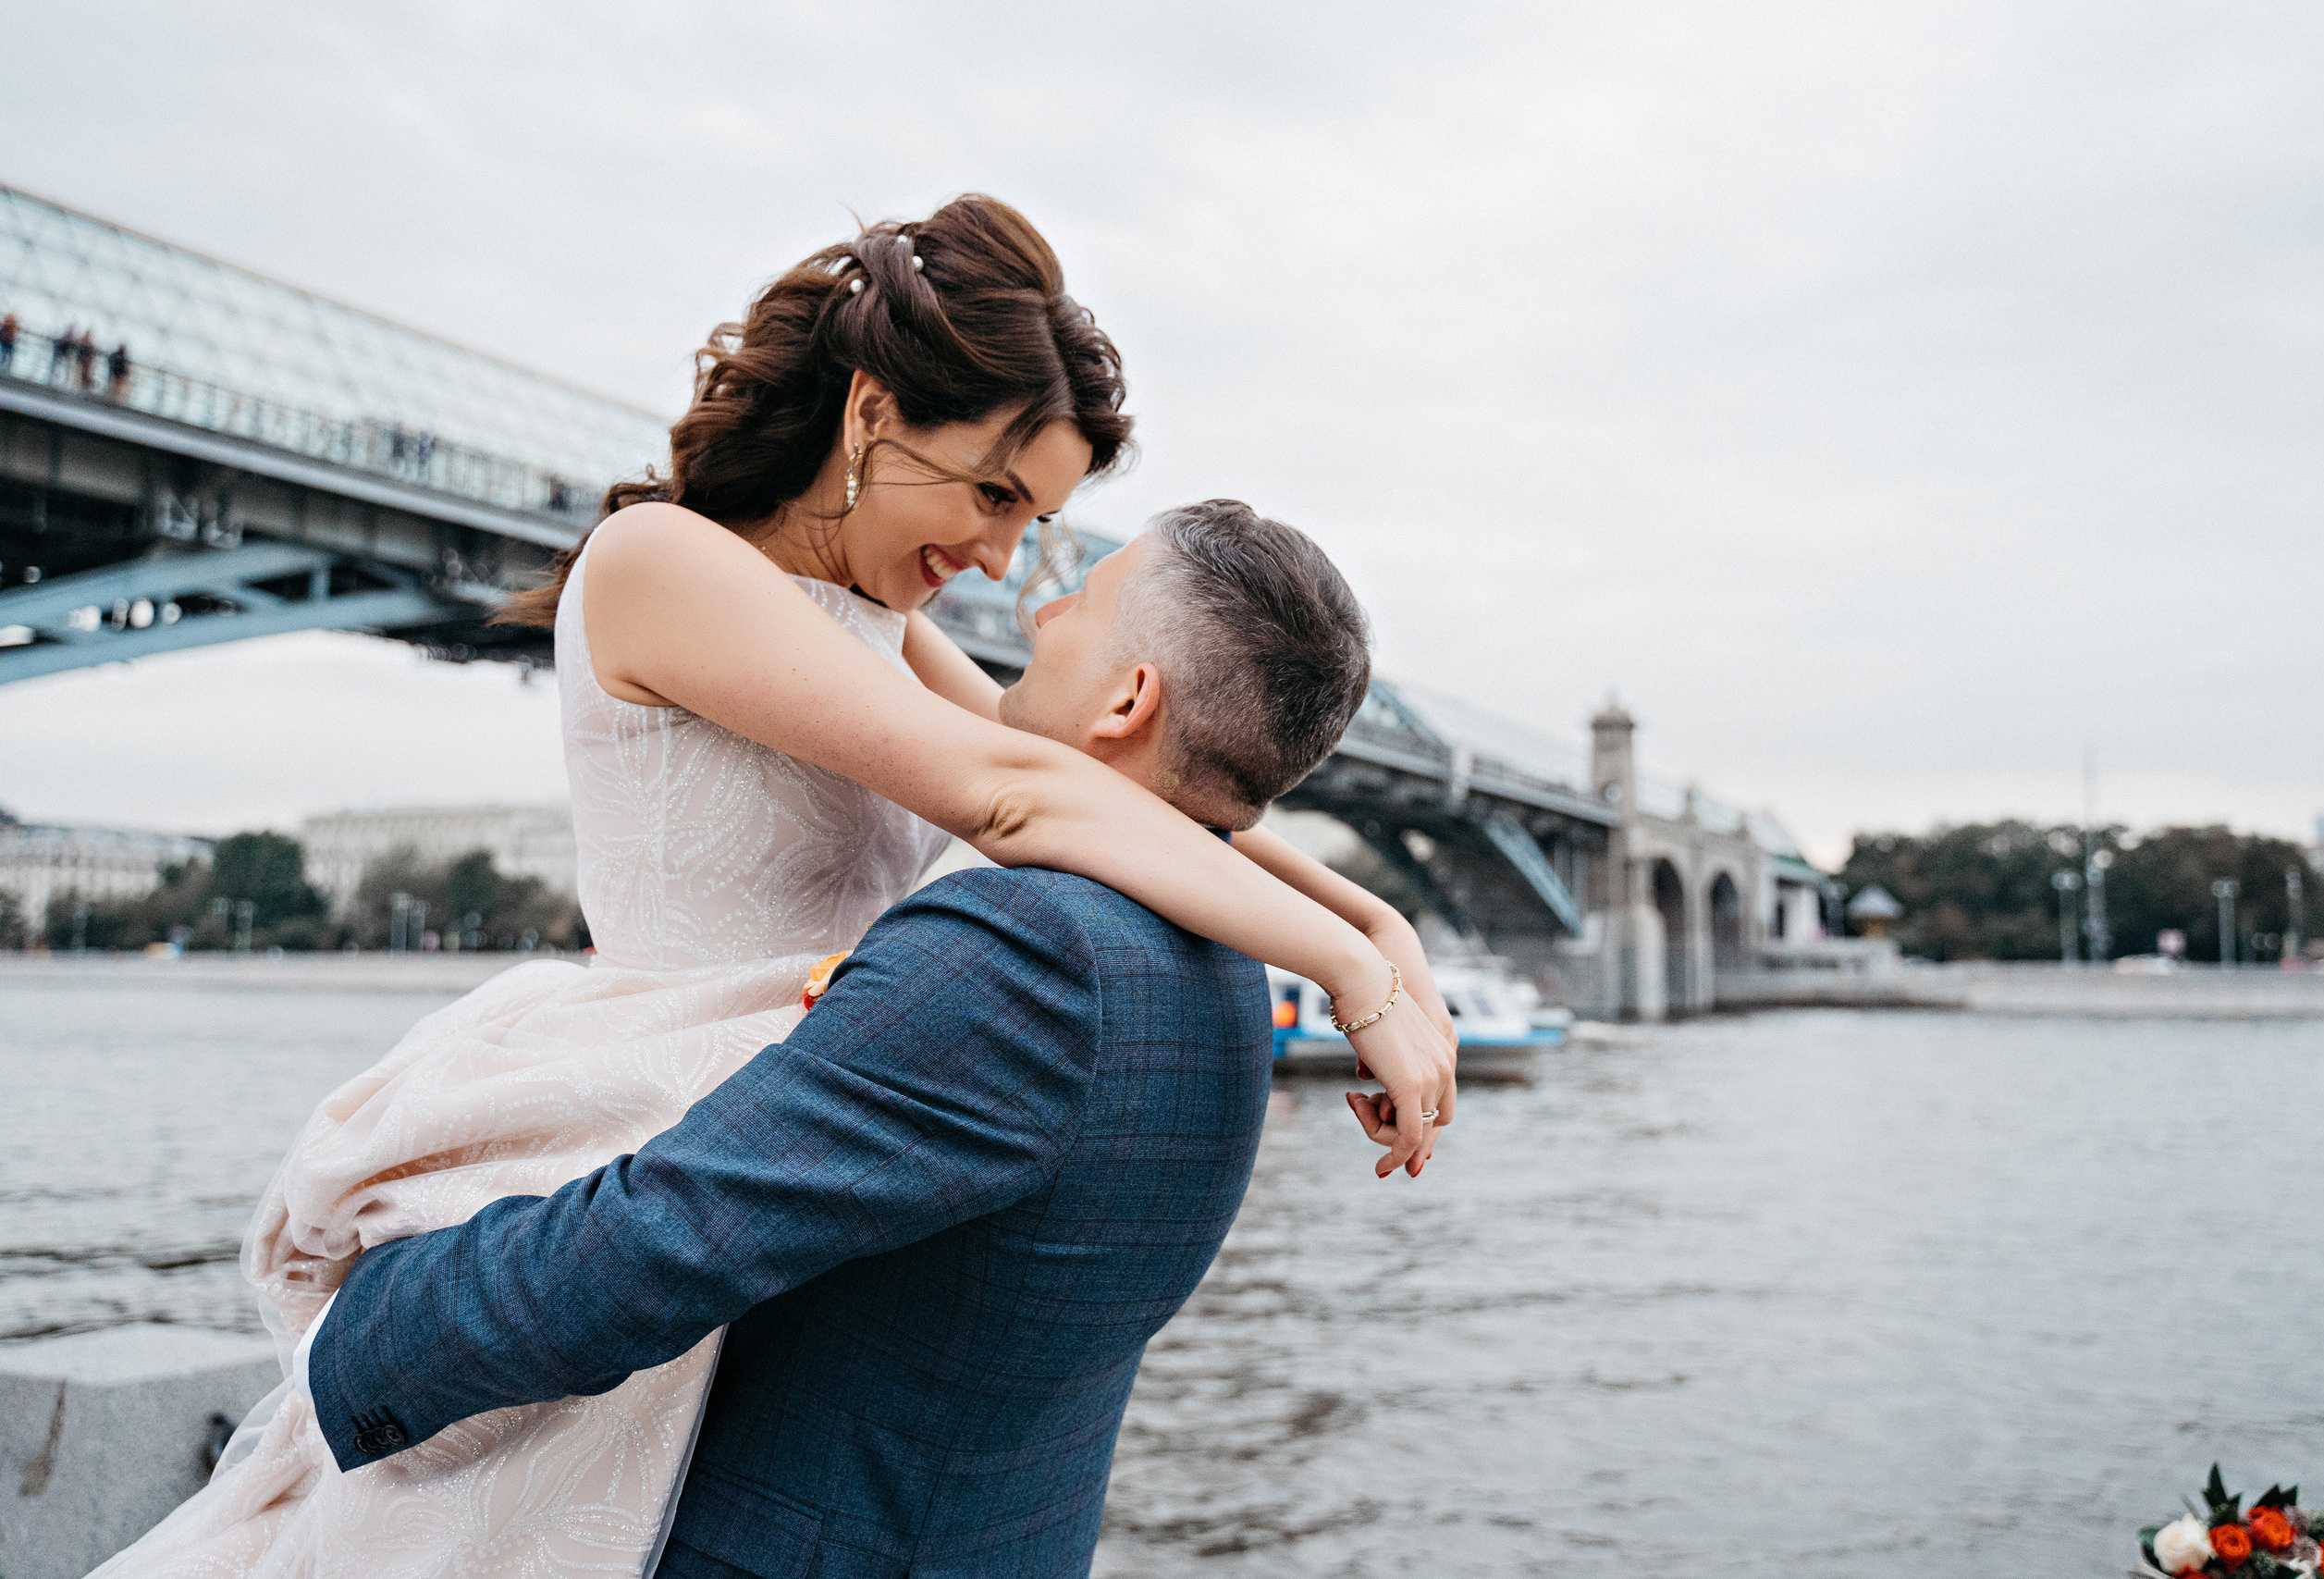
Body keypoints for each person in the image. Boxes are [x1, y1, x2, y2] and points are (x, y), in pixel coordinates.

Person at [90, 195, 1453, 1577]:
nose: (1000, 561)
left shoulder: (887, 628)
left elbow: (1089, 785)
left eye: (1033, 519)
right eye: (993, 494)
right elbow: (1014, 792)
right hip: (645, 1097)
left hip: (786, 1107)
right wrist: (1349, 971)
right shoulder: (664, 562)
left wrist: (1376, 928)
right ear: (872, 413)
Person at [293, 501, 1397, 1576]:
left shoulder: (1025, 948)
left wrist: (361, 1334)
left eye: (1081, 601)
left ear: (1128, 700)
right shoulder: (1219, 965)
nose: (1033, 613)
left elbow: (664, 1234)